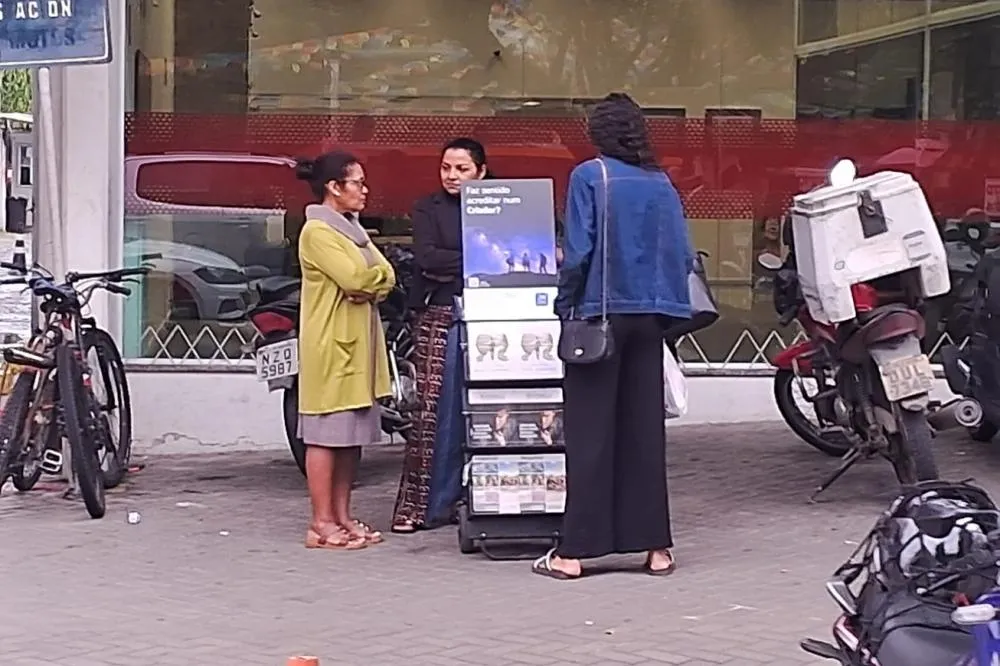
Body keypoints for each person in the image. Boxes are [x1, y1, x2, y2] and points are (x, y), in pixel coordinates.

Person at [532, 92, 694, 579]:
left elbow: (579, 252)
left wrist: (564, 304)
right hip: (653, 315)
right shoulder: (661, 183)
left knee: (591, 434)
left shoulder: (590, 176)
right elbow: (683, 254)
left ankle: (574, 552)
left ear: (597, 133)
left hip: (600, 318)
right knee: (645, 433)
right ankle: (656, 549)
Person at [294, 151, 396, 550]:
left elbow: (385, 274)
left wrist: (371, 282)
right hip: (330, 345)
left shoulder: (353, 229)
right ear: (334, 188)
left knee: (350, 436)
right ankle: (320, 522)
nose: (364, 190)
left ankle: (342, 514)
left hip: (359, 346)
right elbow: (355, 277)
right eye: (357, 183)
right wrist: (369, 281)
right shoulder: (318, 232)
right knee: (323, 434)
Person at [392, 137, 489, 533]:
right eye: (447, 168)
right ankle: (421, 507)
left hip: (495, 317)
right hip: (439, 312)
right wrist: (485, 256)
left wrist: (471, 259)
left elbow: (521, 247)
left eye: (462, 169)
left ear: (481, 172)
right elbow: (429, 258)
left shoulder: (500, 204)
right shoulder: (428, 207)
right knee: (432, 410)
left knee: (493, 410)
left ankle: (483, 500)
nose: (452, 176)